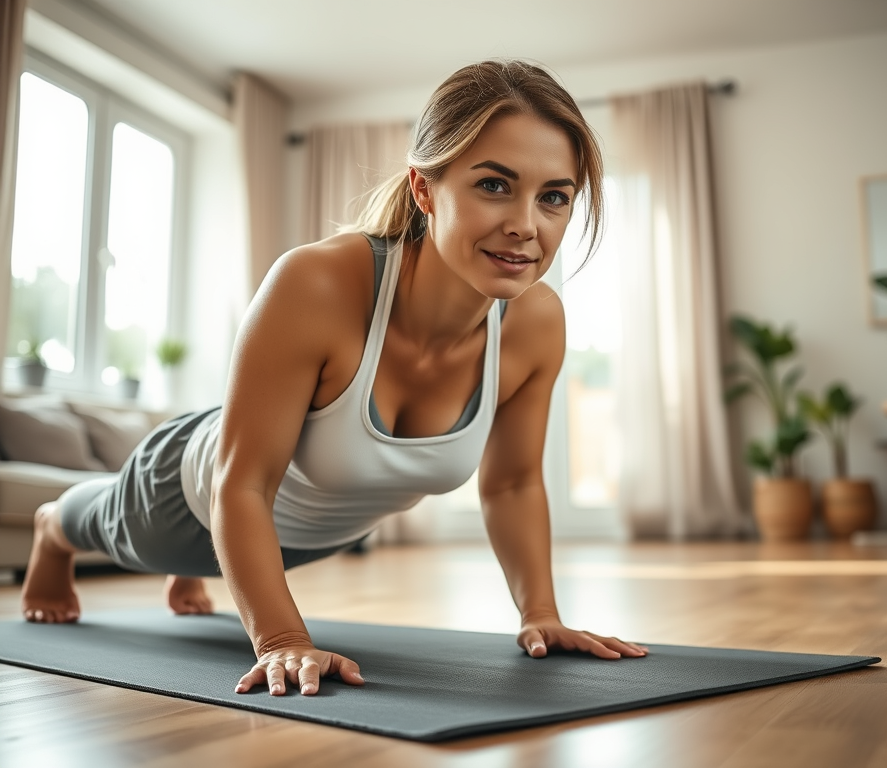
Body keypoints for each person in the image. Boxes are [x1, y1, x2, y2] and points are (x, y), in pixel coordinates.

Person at [20, 59, 648, 696]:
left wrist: (540, 613)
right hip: (185, 500)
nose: (526, 224)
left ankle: (200, 575)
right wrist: (282, 641)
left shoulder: (537, 322)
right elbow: (240, 484)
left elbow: (511, 484)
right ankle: (53, 527)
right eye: (493, 185)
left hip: (307, 536)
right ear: (425, 191)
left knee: (237, 555)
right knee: (100, 523)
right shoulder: (315, 283)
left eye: (554, 197)